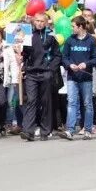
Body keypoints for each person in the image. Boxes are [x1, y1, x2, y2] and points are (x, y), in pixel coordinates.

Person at [20, 12, 62, 141]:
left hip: (45, 73)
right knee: (31, 100)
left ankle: (45, 130)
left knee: (46, 102)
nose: (39, 23)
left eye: (42, 21)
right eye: (37, 21)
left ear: (46, 22)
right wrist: (19, 53)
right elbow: (25, 54)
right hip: (31, 73)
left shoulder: (50, 36)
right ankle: (28, 131)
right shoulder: (28, 35)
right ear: (33, 21)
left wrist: (50, 69)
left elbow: (57, 55)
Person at [61, 16, 96, 140]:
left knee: (87, 103)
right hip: (72, 77)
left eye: (73, 26)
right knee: (71, 102)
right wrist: (69, 65)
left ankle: (87, 130)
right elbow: (64, 57)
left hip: (86, 77)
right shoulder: (69, 40)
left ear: (80, 26)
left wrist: (85, 64)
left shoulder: (92, 40)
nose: (71, 28)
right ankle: (70, 130)